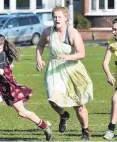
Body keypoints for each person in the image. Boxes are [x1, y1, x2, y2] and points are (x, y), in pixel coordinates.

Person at [0, 34, 52, 141]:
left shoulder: (1, 55)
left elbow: (0, 71)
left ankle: (45, 126)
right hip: (2, 88)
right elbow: (7, 66)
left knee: (22, 113)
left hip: (10, 89)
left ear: (1, 46)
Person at [36, 6, 93, 140]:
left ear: (66, 18)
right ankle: (64, 115)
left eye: (59, 17)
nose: (56, 19)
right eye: (54, 17)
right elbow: (40, 45)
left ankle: (85, 131)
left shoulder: (72, 33)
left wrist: (67, 57)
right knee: (52, 100)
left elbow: (82, 53)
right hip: (54, 70)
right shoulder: (47, 32)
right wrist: (39, 58)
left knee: (78, 106)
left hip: (72, 70)